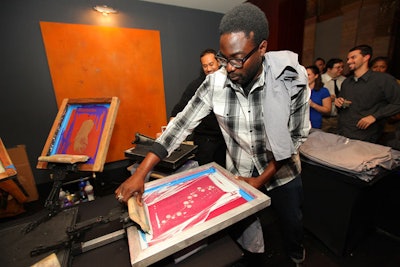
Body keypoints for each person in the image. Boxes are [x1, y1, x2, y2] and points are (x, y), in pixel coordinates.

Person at [115, 3, 310, 266]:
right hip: (240, 172)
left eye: (238, 58)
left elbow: (296, 137)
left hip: (283, 173)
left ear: (262, 48)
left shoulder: (292, 79)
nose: (229, 68)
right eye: (224, 58)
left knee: (291, 224)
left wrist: (260, 181)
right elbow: (180, 125)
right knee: (243, 229)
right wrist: (141, 172)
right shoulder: (215, 82)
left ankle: (297, 257)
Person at [170, 49, 226, 167]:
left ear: (219, 62)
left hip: (225, 140)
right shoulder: (195, 85)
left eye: (211, 64)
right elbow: (179, 109)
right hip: (205, 142)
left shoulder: (230, 81)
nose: (209, 69)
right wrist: (168, 131)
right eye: (205, 66)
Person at [335, 44, 400, 143]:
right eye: (348, 59)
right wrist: (339, 102)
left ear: (366, 57)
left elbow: (397, 103)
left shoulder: (383, 80)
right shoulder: (347, 82)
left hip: (366, 136)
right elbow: (342, 103)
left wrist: (375, 116)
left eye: (353, 57)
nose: (348, 61)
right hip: (343, 132)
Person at [321, 58, 346, 133]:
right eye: (338, 67)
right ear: (329, 69)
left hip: (340, 117)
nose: (341, 69)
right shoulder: (320, 80)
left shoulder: (344, 80)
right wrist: (327, 98)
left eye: (342, 67)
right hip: (324, 118)